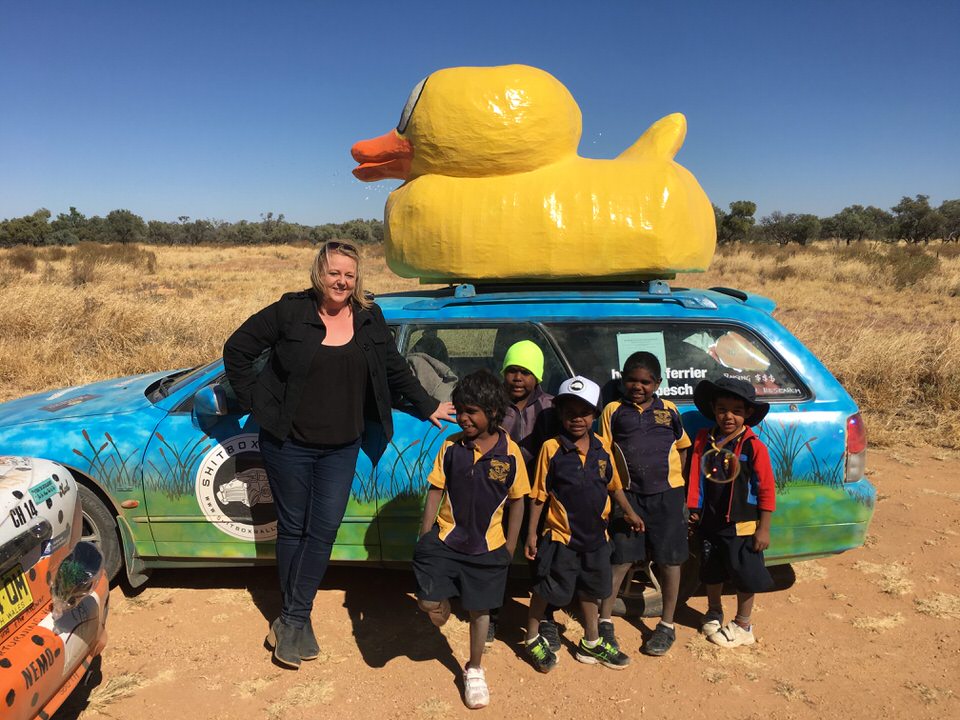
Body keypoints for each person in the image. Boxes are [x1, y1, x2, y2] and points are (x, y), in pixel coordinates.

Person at [222, 240, 454, 669]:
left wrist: (427, 404)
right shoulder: (290, 312)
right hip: (287, 443)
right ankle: (296, 618)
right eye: (334, 272)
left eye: (349, 274)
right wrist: (258, 404)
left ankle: (290, 617)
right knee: (293, 528)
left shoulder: (368, 316)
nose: (341, 281)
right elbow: (237, 350)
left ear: (357, 277)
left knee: (323, 530)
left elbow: (394, 366)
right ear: (319, 273)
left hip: (341, 446)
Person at [413, 369, 529, 709]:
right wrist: (425, 535)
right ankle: (443, 604)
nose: (462, 418)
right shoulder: (451, 447)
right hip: (446, 541)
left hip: (488, 547)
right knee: (427, 602)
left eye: (471, 411)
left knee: (480, 611)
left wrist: (509, 546)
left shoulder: (510, 454)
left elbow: (519, 499)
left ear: (492, 412)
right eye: (460, 410)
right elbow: (436, 489)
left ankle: (474, 669)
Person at [524, 376, 643, 673]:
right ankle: (531, 638)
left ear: (594, 415)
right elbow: (538, 496)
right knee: (547, 588)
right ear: (560, 414)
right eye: (569, 412)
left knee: (592, 589)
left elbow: (614, 486)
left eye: (585, 412)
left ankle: (591, 642)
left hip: (596, 537)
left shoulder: (603, 448)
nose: (577, 418)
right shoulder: (552, 449)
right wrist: (531, 535)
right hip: (561, 537)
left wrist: (629, 511)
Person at [598, 351, 691, 656]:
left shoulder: (669, 410)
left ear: (658, 383)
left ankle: (667, 625)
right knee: (621, 558)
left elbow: (682, 448)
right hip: (629, 496)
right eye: (631, 380)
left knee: (669, 560)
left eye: (645, 382)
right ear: (622, 381)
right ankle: (604, 620)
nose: (638, 386)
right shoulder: (613, 410)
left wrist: (681, 491)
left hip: (668, 495)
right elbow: (606, 453)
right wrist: (620, 500)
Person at [687, 377, 776, 648]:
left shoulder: (754, 447)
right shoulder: (705, 440)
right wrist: (694, 508)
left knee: (744, 571)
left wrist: (763, 527)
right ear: (713, 409)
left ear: (748, 413)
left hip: (743, 523)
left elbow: (766, 488)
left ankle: (743, 624)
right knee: (711, 568)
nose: (729, 416)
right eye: (722, 409)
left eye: (737, 411)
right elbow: (694, 475)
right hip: (709, 519)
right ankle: (714, 610)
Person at [487, 340, 560, 647]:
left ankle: (546, 616)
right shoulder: (492, 404)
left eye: (526, 372)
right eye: (512, 371)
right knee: (495, 552)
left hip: (536, 495)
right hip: (497, 494)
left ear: (538, 377)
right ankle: (490, 613)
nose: (518, 378)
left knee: (540, 556)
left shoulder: (551, 406)